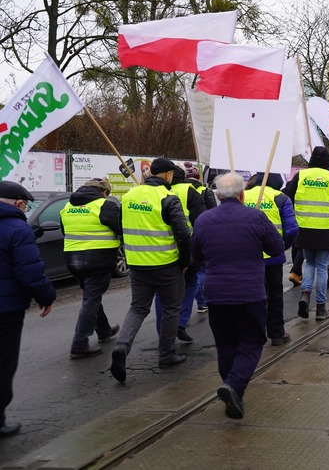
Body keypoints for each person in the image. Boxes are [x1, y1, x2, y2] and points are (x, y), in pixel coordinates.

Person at [191, 173, 283, 419]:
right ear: (242, 194)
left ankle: (234, 394)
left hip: (217, 294)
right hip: (249, 293)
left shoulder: (204, 220)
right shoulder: (256, 217)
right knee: (252, 342)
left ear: (218, 196)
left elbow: (195, 255)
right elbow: (276, 248)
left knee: (226, 344)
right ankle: (234, 385)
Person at [111, 158, 192, 383]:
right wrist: (185, 261)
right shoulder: (168, 198)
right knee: (171, 309)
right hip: (166, 264)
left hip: (137, 265)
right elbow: (183, 234)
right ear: (167, 175)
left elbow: (121, 226)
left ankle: (122, 346)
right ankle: (166, 355)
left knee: (138, 308)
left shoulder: (128, 197)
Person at [0, 181, 56, 437]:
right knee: (3, 363)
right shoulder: (17, 228)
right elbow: (30, 272)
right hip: (6, 310)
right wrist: (46, 297)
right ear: (19, 204)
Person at [60, 178, 122, 359]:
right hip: (98, 260)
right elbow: (121, 228)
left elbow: (66, 231)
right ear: (103, 192)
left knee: (91, 297)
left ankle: (103, 330)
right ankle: (79, 343)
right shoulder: (104, 205)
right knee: (91, 300)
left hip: (73, 260)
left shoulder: (67, 206)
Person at [284, 146, 329, 321]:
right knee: (322, 267)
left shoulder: (300, 176)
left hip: (304, 229)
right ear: (328, 161)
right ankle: (320, 307)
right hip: (326, 229)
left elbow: (288, 199)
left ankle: (305, 294)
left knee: (309, 263)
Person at [154, 165, 210, 342]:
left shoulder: (156, 192)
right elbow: (201, 220)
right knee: (190, 283)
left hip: (162, 249)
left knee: (161, 291)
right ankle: (180, 322)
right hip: (189, 246)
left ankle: (162, 330)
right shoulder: (190, 191)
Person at [244, 173, 299, 346]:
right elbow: (291, 229)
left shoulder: (242, 195)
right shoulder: (280, 198)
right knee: (275, 295)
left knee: (251, 295)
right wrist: (283, 246)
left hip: (247, 257)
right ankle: (276, 333)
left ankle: (253, 333)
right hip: (272, 258)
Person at [182, 162, 216, 313]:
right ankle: (202, 301)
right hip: (200, 234)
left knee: (191, 272)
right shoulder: (204, 191)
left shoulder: (176, 190)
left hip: (180, 237)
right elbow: (213, 214)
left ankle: (200, 301)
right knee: (202, 270)